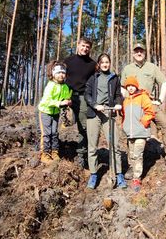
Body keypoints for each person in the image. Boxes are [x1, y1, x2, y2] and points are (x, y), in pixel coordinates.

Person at [121, 42, 166, 166]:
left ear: (145, 53)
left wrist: (160, 100)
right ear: (133, 53)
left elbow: (163, 83)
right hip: (135, 105)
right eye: (136, 51)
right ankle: (132, 165)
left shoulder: (152, 67)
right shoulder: (127, 69)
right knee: (132, 133)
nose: (139, 53)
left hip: (150, 103)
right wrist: (127, 100)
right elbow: (122, 87)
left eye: (141, 51)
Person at [84, 54, 126, 190]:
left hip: (109, 113)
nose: (105, 64)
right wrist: (95, 105)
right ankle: (94, 174)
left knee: (114, 145)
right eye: (102, 62)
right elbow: (87, 94)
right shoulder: (93, 78)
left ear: (109, 63)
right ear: (99, 64)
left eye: (107, 62)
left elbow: (118, 94)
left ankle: (118, 174)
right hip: (94, 114)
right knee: (92, 146)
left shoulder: (114, 78)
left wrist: (119, 104)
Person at [63, 37, 97, 168]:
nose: (85, 49)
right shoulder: (68, 61)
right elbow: (59, 77)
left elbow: (96, 81)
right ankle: (51, 151)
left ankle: (82, 155)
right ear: (78, 45)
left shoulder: (92, 64)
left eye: (87, 47)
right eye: (83, 46)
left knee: (83, 127)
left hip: (83, 98)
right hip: (67, 97)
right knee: (58, 123)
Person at [121, 75, 156, 192]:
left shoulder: (143, 97)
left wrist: (143, 123)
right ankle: (132, 170)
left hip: (140, 132)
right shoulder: (125, 100)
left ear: (136, 86)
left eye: (132, 86)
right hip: (130, 133)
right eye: (128, 86)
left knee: (137, 154)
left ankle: (137, 178)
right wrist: (124, 126)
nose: (130, 88)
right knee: (131, 154)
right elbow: (124, 115)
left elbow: (150, 112)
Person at [37, 61, 72, 164]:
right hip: (45, 112)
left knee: (54, 133)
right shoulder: (50, 85)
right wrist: (60, 103)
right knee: (46, 133)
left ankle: (54, 152)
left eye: (63, 73)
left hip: (55, 112)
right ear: (53, 74)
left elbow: (66, 98)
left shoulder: (65, 86)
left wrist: (68, 101)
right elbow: (46, 101)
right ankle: (45, 154)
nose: (61, 75)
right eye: (58, 72)